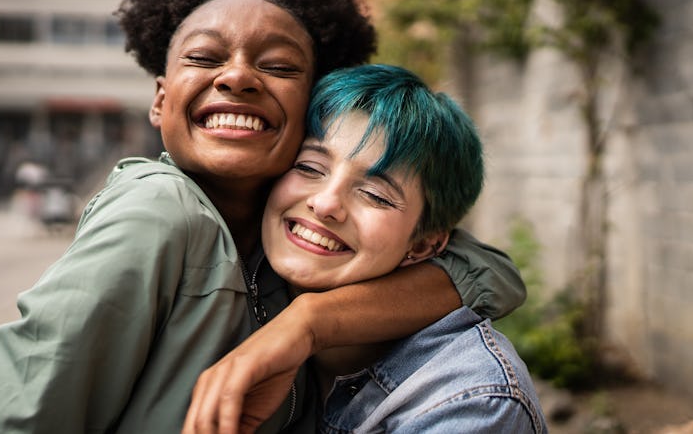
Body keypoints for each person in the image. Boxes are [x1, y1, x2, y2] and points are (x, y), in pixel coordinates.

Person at [0, 0, 526, 433]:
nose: (236, 77)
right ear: (159, 101)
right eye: (205, 59)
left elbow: (491, 271)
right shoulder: (156, 212)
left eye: (278, 67)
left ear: (307, 110)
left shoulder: (276, 229)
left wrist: (307, 320)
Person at [186, 64, 546, 433]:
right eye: (309, 167)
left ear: (423, 245)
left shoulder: (471, 402)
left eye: (374, 194)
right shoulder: (232, 273)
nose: (325, 203)